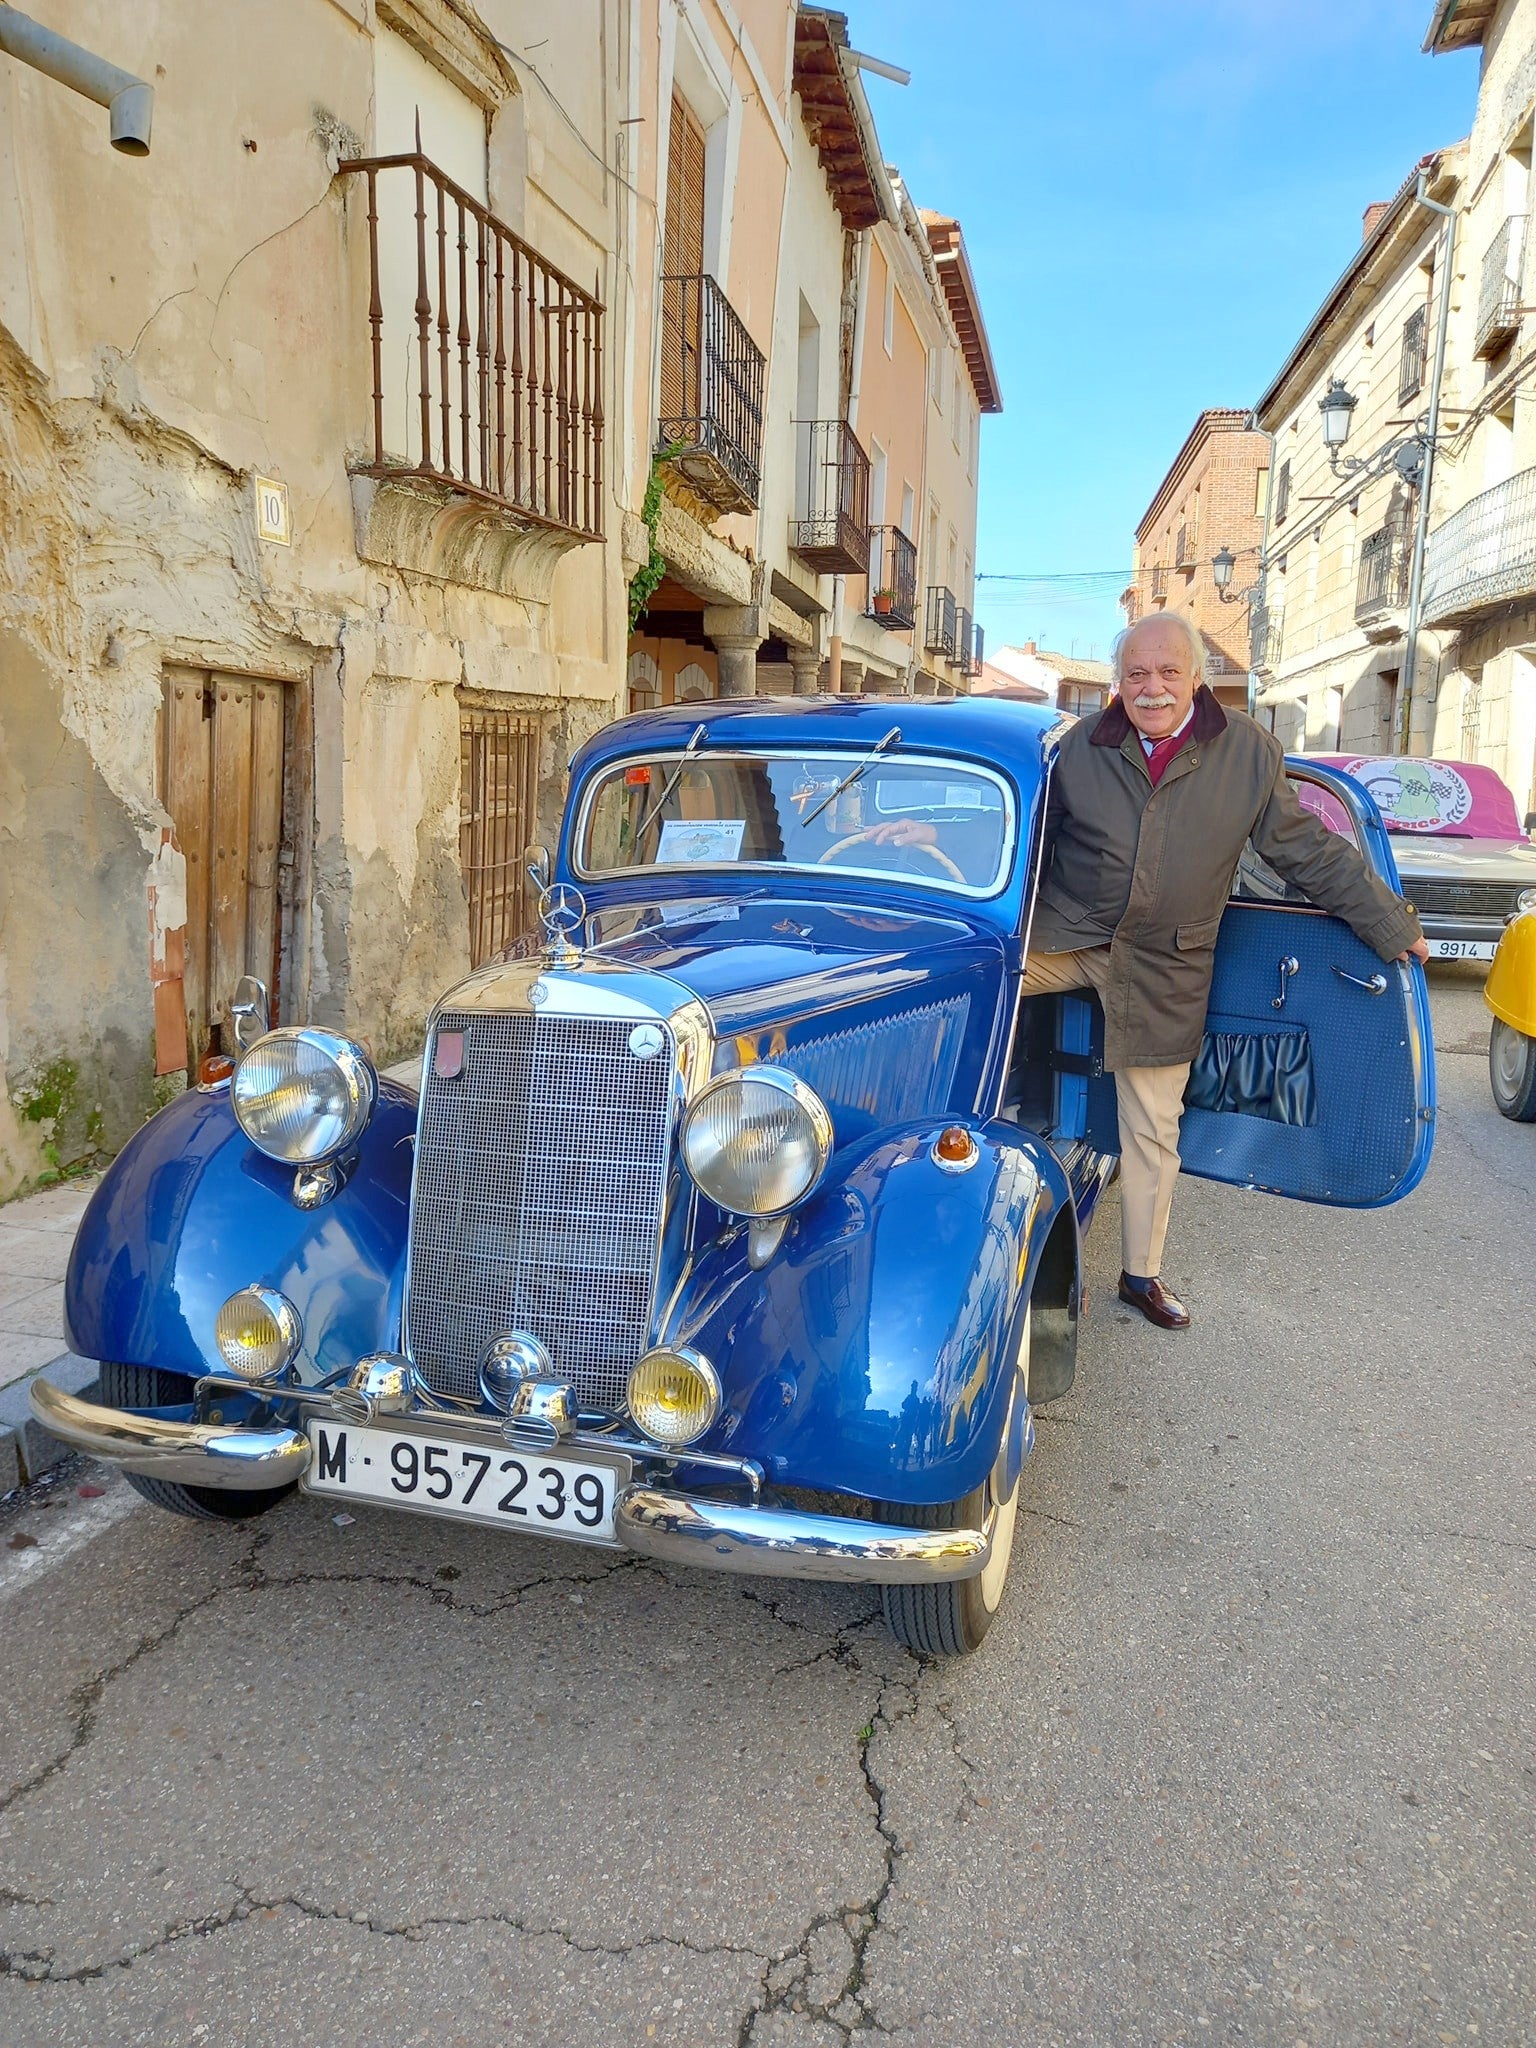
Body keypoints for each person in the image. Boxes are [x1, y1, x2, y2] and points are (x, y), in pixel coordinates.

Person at [871, 614, 1428, 1328]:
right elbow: (1024, 828)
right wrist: (931, 832)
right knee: (962, 987)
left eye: (1169, 672)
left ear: (1196, 677)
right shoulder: (1081, 746)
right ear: (1119, 682)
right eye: (1137, 674)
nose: (1153, 688)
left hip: (1167, 959)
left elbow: (1308, 853)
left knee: (1153, 1126)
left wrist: (1391, 926)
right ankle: (929, 1181)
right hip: (1070, 933)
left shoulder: (1247, 751)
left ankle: (1141, 1275)